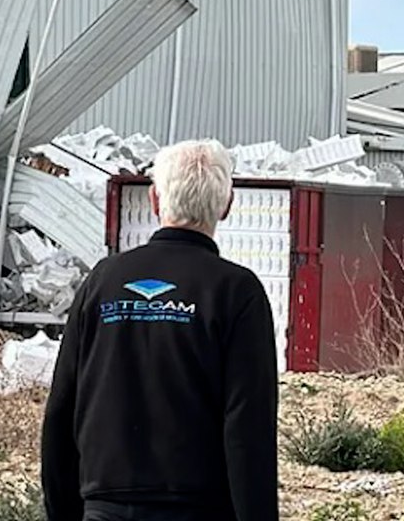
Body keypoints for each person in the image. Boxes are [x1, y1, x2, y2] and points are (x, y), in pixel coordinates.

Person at [41, 139, 279, 521]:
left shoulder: (103, 281)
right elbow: (248, 427)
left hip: (104, 506)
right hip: (198, 509)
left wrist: (63, 512)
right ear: (227, 204)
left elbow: (61, 409)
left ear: (154, 200)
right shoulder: (236, 291)